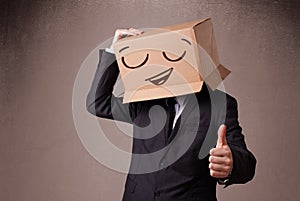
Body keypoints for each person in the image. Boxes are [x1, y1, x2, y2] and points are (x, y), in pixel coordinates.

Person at [86, 28, 256, 201]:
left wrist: (231, 162)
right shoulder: (145, 98)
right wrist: (114, 51)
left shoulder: (221, 103)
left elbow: (247, 165)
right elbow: (97, 103)